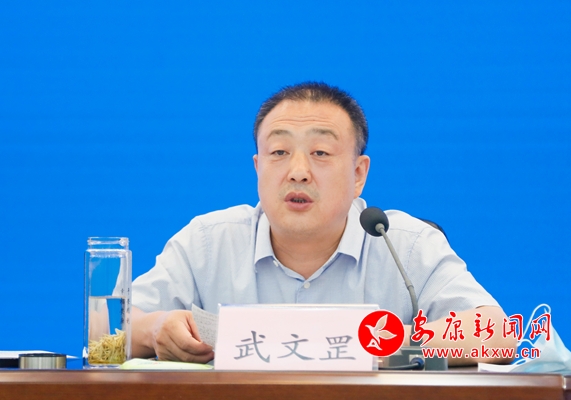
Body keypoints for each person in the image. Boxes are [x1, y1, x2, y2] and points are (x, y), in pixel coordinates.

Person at [130, 82, 516, 365]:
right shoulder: (207, 242)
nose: (298, 171)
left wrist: (388, 346)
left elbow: (496, 332)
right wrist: (156, 328)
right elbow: (110, 327)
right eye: (279, 152)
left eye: (320, 152)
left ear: (359, 174)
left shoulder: (406, 244)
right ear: (258, 167)